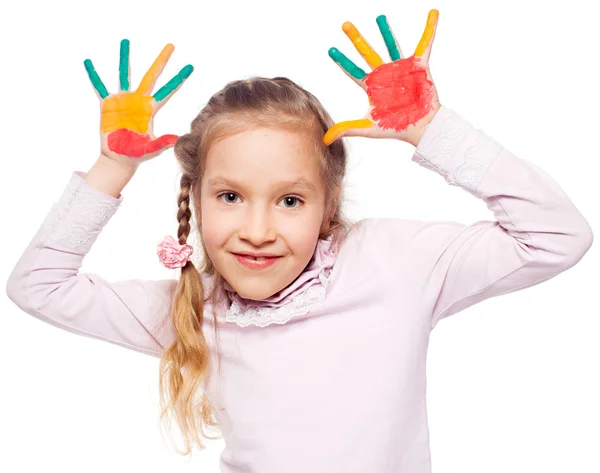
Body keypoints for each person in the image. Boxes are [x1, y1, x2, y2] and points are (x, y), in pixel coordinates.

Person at [5, 9, 593, 473]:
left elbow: (557, 236)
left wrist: (434, 132)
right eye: (230, 196)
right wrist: (112, 167)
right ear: (196, 197)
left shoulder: (399, 264)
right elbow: (37, 287)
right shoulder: (192, 310)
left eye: (290, 201)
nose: (257, 231)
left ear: (326, 206)